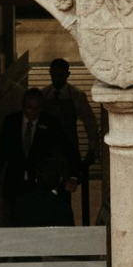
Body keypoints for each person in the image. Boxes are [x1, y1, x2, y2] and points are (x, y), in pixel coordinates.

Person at [0, 87, 82, 226]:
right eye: (29, 108)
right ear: (23, 106)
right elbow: (0, 154)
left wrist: (73, 177)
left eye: (36, 108)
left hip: (40, 185)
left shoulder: (51, 123)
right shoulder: (11, 122)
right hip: (15, 184)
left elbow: (68, 150)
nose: (32, 112)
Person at [41, 57, 101, 215]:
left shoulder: (76, 95)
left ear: (68, 75)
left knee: (64, 194)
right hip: (46, 151)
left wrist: (92, 147)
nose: (57, 79)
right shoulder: (43, 95)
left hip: (68, 152)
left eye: (60, 75)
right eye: (54, 75)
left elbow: (90, 122)